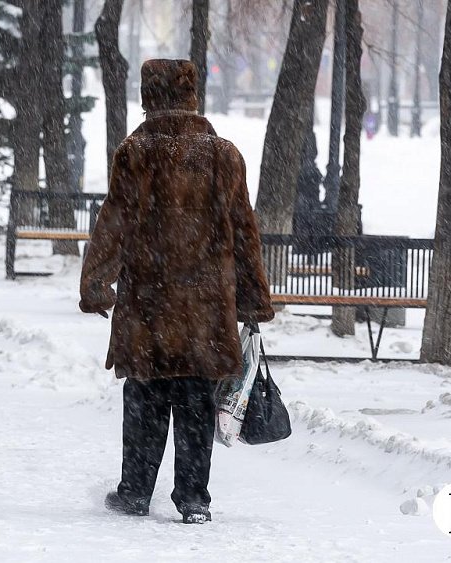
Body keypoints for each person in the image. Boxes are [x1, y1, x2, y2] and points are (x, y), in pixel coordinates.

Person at [79, 59, 275, 524]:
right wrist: (253, 299)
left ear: (148, 97)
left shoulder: (136, 153)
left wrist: (96, 283)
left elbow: (114, 223)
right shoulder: (223, 155)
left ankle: (134, 492)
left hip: (148, 308)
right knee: (196, 405)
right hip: (206, 311)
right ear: (192, 96)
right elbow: (245, 232)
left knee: (145, 400)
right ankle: (193, 499)